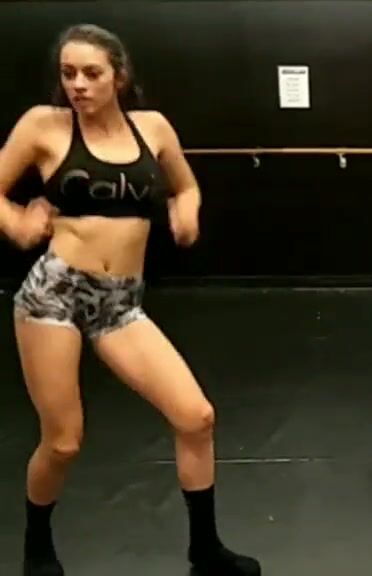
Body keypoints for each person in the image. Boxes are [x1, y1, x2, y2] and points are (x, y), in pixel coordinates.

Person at [0, 24, 260, 575]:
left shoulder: (153, 128)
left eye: (91, 73)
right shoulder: (44, 125)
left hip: (121, 303)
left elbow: (185, 185)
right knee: (63, 443)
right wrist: (17, 223)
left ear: (118, 76)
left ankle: (205, 552)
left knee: (196, 417)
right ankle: (36, 548)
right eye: (68, 73)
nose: (78, 84)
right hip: (55, 296)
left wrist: (186, 214)